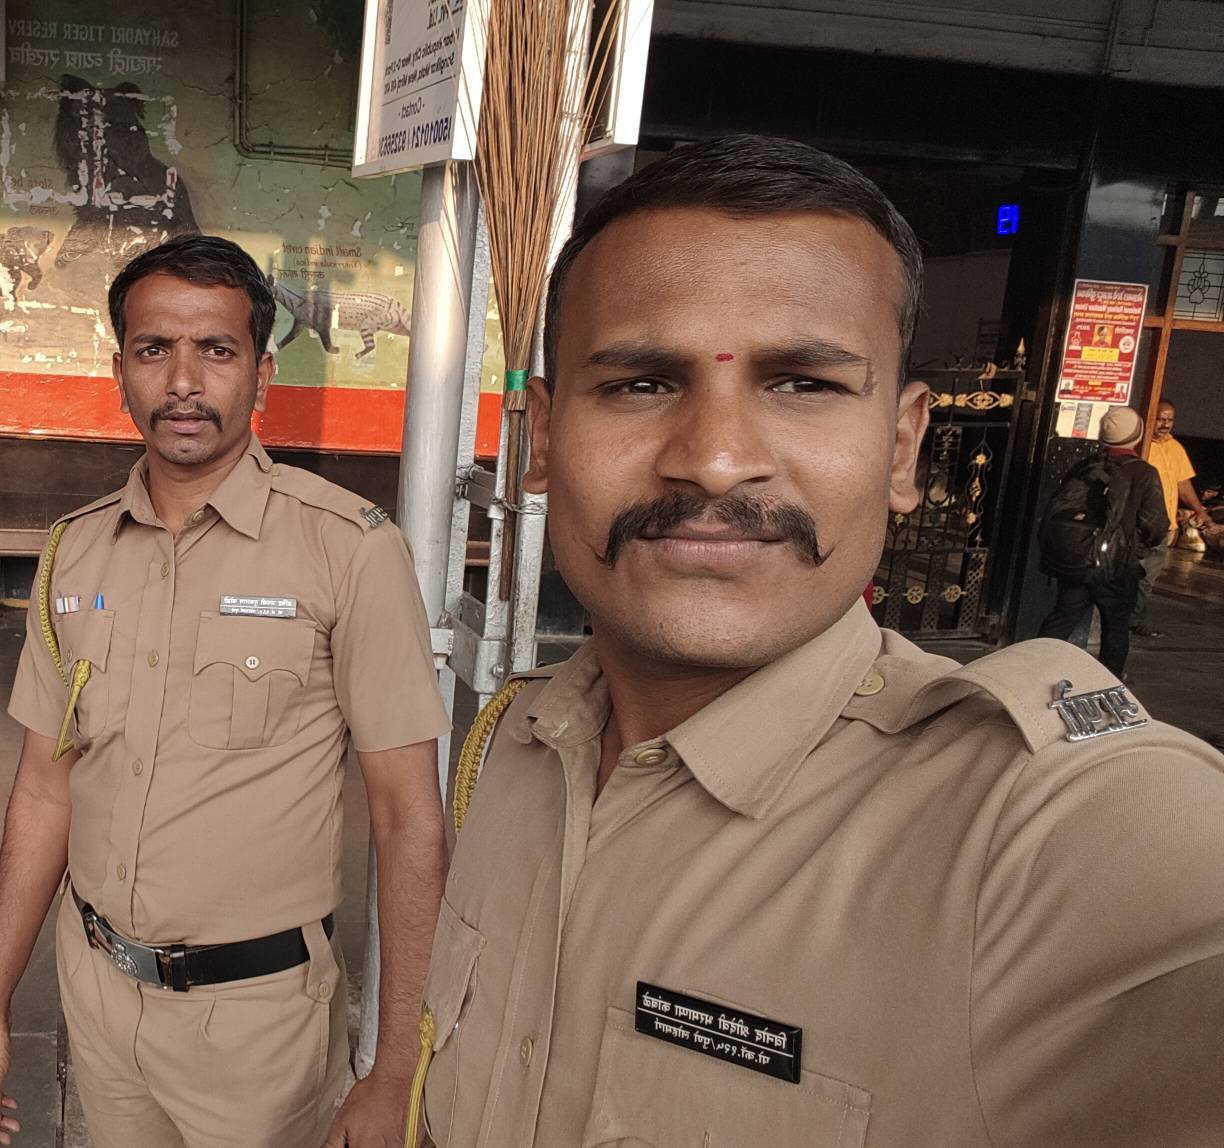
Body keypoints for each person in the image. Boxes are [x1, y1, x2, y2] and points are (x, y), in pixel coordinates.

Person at [412, 135, 1224, 1148]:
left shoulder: (1032, 830)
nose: (714, 461)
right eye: (640, 384)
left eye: (802, 384)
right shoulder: (514, 744)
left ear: (903, 447)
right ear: (540, 438)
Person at [0, 235, 450, 1148]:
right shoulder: (75, 551)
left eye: (216, 350)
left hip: (259, 1029)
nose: (183, 381)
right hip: (98, 998)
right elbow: (43, 791)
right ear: (120, 372)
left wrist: (395, 1071)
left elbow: (408, 817)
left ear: (261, 373)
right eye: (155, 349)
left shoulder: (347, 549)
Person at [1036, 406, 1168, 678]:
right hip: (1117, 565)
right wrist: (1138, 549)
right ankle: (1108, 680)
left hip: (1078, 557)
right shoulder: (1144, 473)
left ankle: (1032, 669)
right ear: (1137, 434)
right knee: (1115, 627)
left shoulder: (1086, 466)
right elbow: (1155, 524)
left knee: (1062, 617)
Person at [1132, 399, 1212, 637]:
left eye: (1170, 420)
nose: (1165, 424)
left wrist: (1199, 509)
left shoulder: (1175, 448)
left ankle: (1133, 619)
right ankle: (1123, 620)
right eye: (1161, 419)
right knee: (1132, 574)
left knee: (1148, 577)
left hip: (1164, 525)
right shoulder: (1140, 446)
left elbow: (1183, 484)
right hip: (1140, 523)